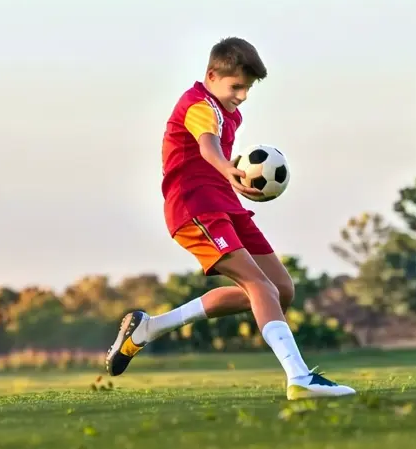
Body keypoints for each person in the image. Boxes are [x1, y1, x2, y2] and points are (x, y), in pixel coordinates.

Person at [105, 37, 356, 400]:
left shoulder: (230, 112)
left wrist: (232, 179)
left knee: (280, 289)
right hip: (195, 207)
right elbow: (207, 146)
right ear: (211, 75)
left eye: (248, 88)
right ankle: (300, 379)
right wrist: (228, 168)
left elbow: (211, 152)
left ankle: (150, 328)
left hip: (225, 204)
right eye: (236, 86)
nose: (242, 95)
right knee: (260, 288)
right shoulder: (198, 105)